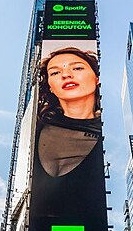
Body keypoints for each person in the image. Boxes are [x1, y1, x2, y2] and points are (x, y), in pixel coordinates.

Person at [37, 46, 101, 177]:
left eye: (77, 68)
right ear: (50, 88)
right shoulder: (36, 129)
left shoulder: (110, 132)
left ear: (97, 78)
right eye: (55, 73)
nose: (66, 75)